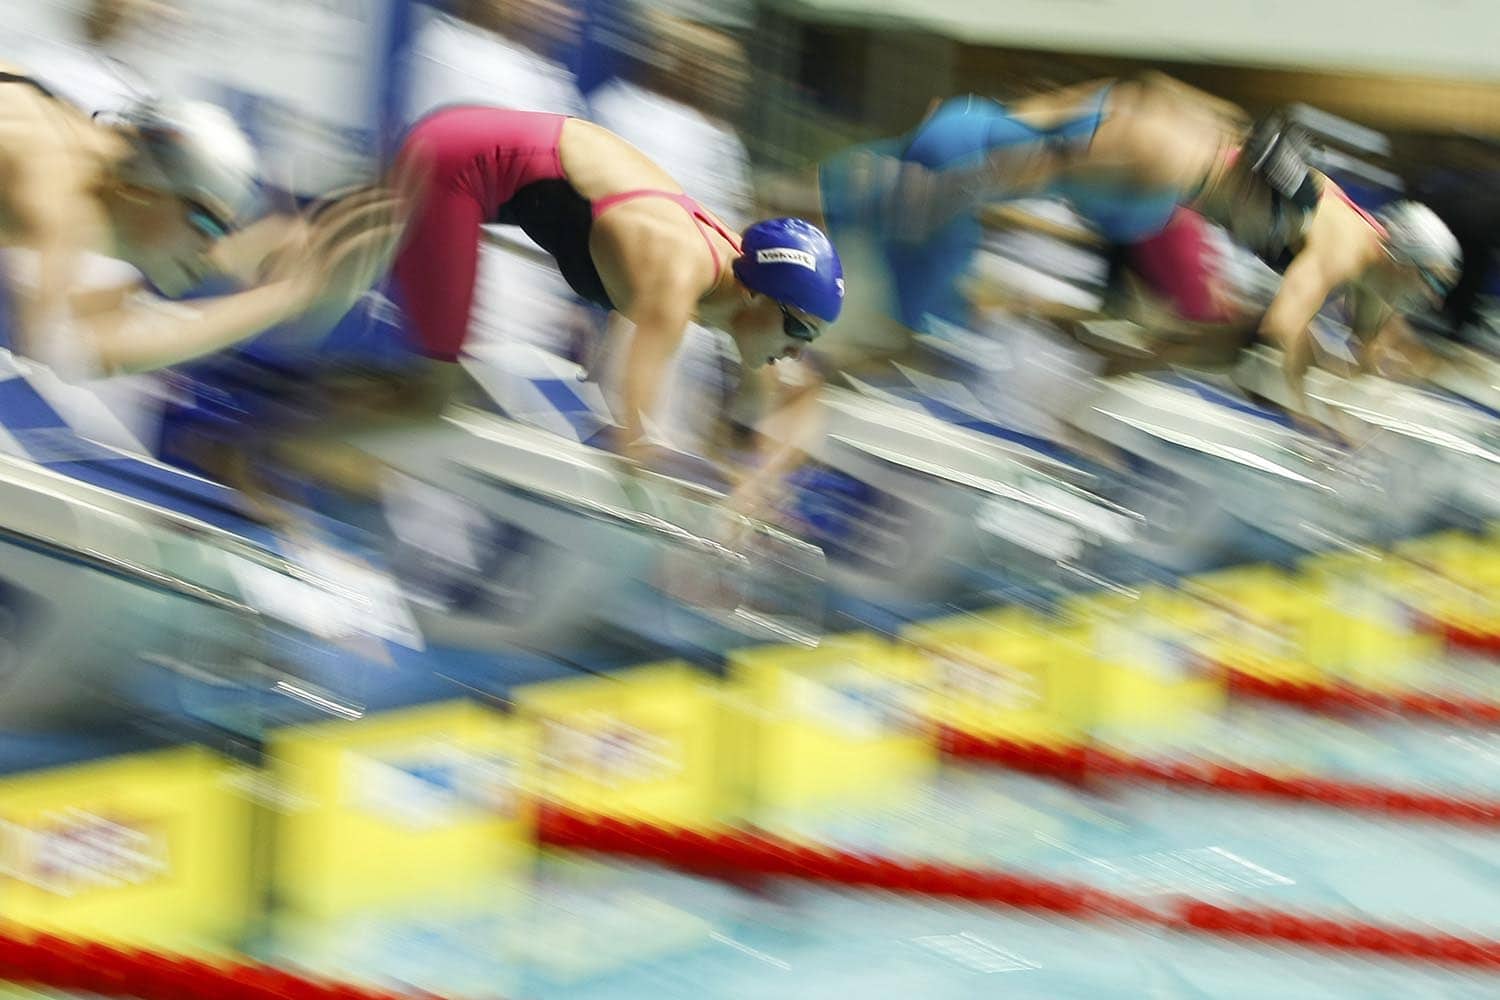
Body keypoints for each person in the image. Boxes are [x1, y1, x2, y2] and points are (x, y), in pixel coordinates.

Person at [838, 78, 1460, 408]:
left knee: (1030, 153)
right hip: (998, 167)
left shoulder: (1371, 263)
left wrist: (1373, 379)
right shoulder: (1172, 162)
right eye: (1423, 288)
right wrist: (1307, 412)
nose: (1421, 303)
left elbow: (1366, 339)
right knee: (903, 349)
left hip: (1040, 160)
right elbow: (1274, 341)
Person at [387, 105, 842, 501]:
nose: (796, 350)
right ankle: (322, 461)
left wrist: (754, 482)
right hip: (449, 165)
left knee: (447, 398)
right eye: (798, 330)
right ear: (758, 296)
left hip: (485, 164)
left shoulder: (737, 279)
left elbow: (793, 397)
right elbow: (634, 436)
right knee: (431, 404)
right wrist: (691, 491)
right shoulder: (680, 269)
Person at [0, 65, 407, 381]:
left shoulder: (92, 170)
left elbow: (105, 314)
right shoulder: (49, 187)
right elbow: (66, 348)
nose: (211, 248)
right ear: (146, 186)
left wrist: (249, 270)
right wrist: (289, 295)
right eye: (207, 224)